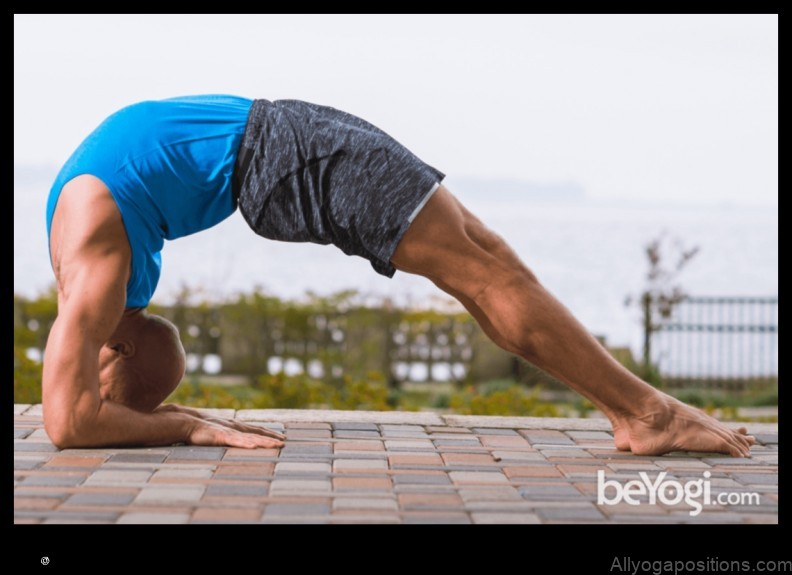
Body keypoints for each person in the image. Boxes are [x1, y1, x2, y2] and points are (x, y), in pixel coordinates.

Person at [42, 95, 755, 456]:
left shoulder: (98, 275)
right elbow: (73, 425)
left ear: (123, 351)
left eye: (111, 394)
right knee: (482, 271)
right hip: (289, 150)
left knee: (489, 261)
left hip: (288, 149)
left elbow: (70, 420)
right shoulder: (100, 273)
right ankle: (645, 415)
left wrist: (171, 421)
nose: (98, 396)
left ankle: (641, 411)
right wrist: (184, 426)